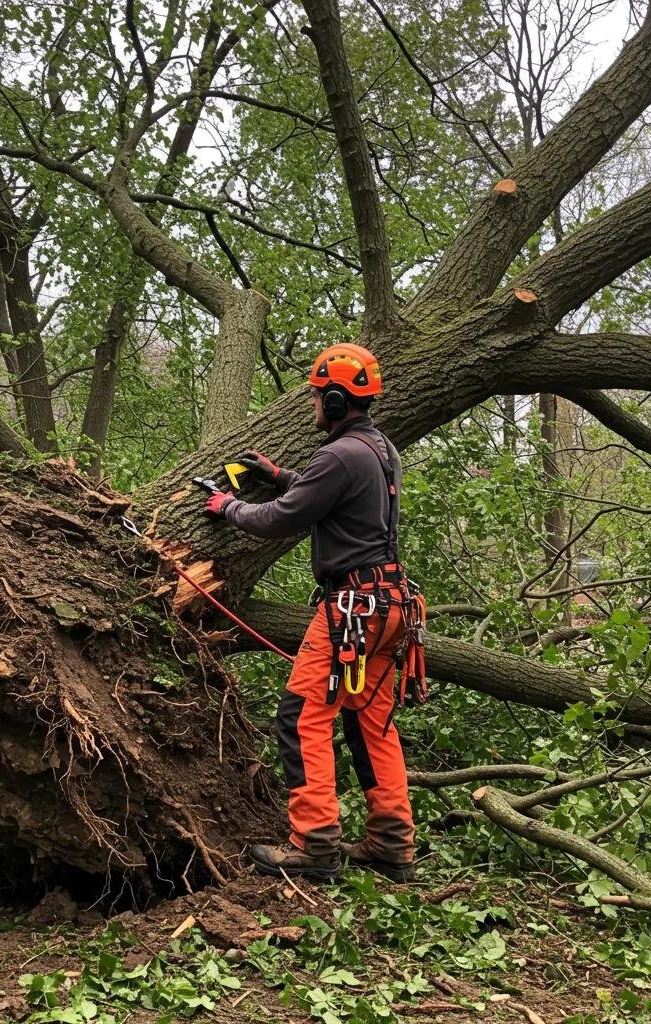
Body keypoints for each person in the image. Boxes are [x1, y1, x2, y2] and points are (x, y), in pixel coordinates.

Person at [203, 342, 421, 883]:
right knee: (372, 724)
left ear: (337, 398)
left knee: (302, 717)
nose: (312, 407)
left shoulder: (339, 454)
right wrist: (280, 475)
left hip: (353, 607)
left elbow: (283, 519)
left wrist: (227, 506)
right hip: (391, 607)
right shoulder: (378, 450)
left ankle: (315, 844)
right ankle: (393, 845)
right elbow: (324, 494)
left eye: (317, 398)